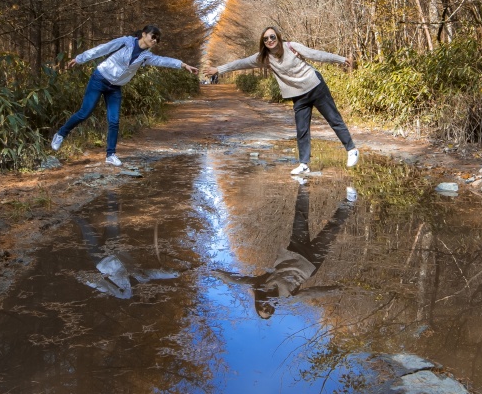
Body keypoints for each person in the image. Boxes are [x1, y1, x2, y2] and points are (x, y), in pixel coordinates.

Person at [210, 27, 359, 175]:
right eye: (266, 38)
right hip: (298, 95)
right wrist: (219, 69)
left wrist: (339, 59)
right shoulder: (264, 58)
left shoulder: (291, 47)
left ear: (278, 37)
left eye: (272, 37)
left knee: (333, 119)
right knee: (302, 129)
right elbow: (240, 63)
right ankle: (304, 164)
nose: (270, 40)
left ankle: (351, 150)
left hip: (315, 86)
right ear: (263, 42)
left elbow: (315, 54)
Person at [51, 25, 198, 165]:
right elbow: (102, 49)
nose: (155, 41)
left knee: (114, 120)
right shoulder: (125, 42)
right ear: (144, 34)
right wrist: (79, 59)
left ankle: (110, 155)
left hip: (115, 88)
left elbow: (163, 61)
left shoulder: (146, 56)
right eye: (153, 37)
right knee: (85, 113)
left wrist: (183, 65)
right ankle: (61, 134)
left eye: (157, 40)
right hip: (99, 79)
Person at [216, 184, 356, 318]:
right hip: (310, 263)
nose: (266, 307)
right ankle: (350, 201)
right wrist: (338, 289)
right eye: (269, 311)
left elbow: (237, 280)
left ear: (258, 303)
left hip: (294, 252)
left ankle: (304, 184)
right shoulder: (287, 299)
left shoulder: (259, 284)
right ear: (273, 308)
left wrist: (215, 273)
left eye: (262, 308)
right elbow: (311, 292)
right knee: (331, 230)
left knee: (300, 218)